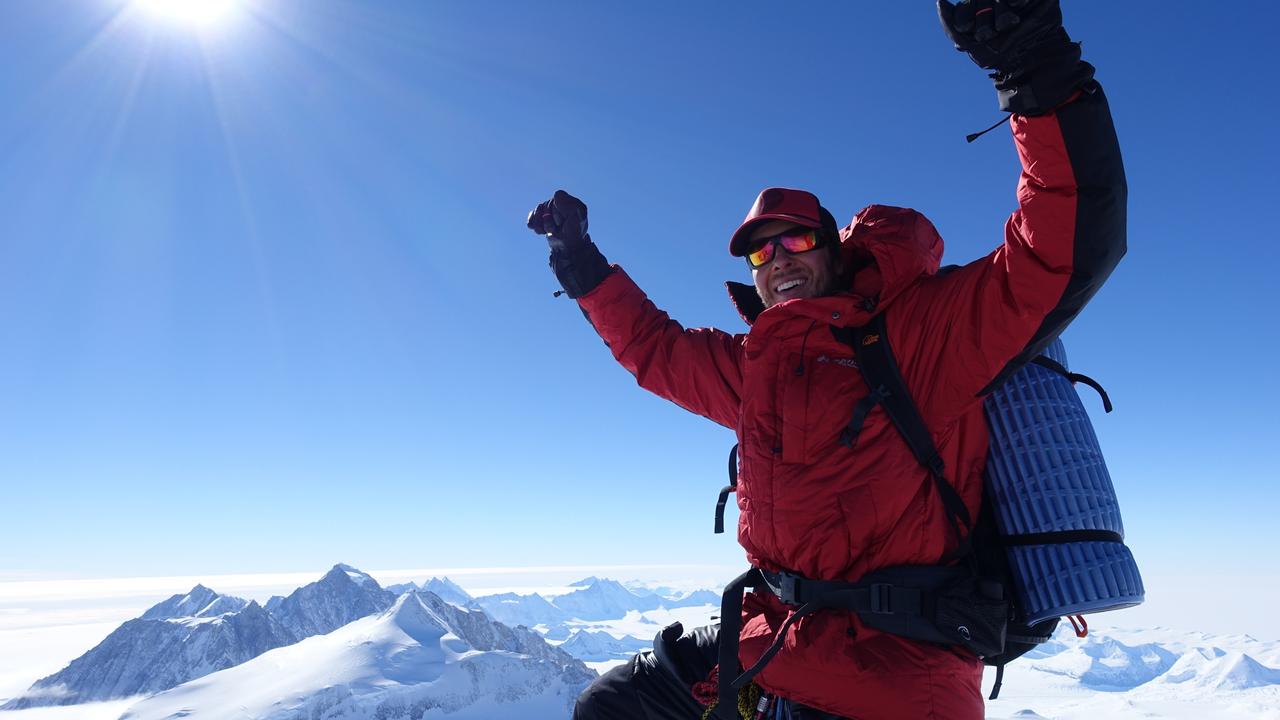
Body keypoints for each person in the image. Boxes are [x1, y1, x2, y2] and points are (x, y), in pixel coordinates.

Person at [527, 1, 1126, 718]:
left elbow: (1054, 251)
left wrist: (1033, 69)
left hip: (898, 667)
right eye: (760, 250)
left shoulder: (916, 333)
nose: (776, 260)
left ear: (835, 251)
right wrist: (580, 262)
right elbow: (654, 350)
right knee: (613, 707)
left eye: (796, 242)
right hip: (779, 631)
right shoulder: (756, 368)